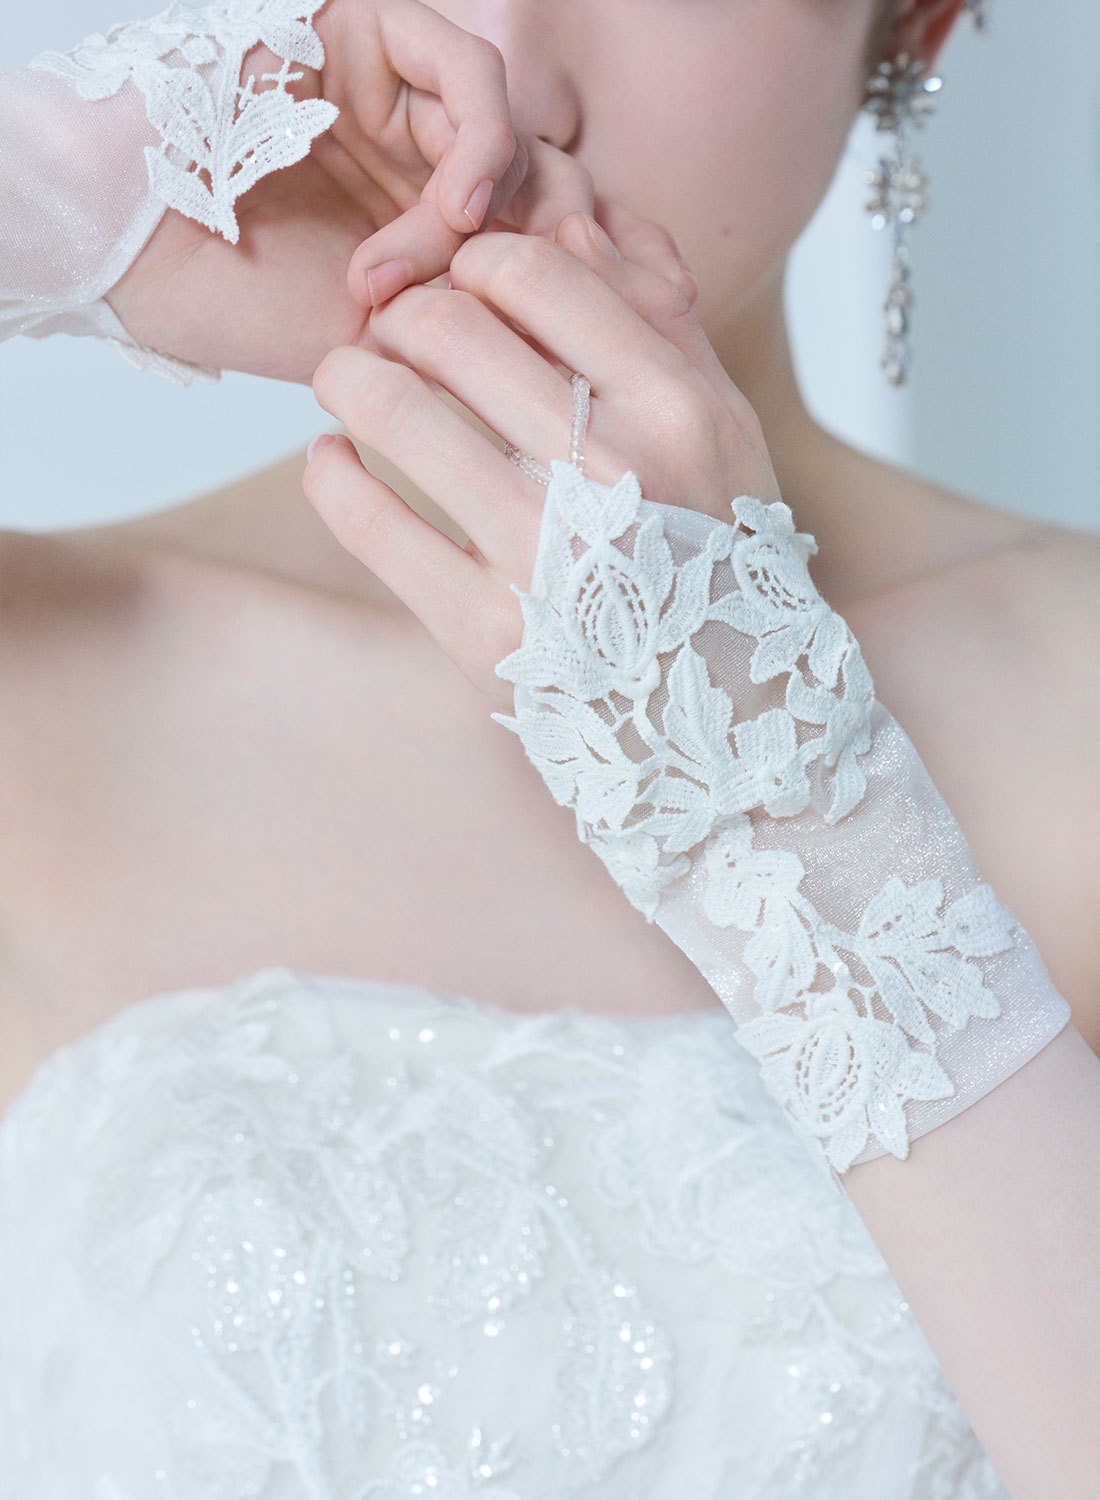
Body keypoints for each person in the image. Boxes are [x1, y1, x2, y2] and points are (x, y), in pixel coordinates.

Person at [0, 0, 1096, 1496]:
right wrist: (55, 188)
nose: (498, 76)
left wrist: (799, 816)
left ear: (917, 21)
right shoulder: (48, 661)